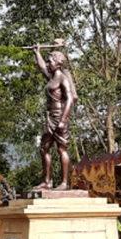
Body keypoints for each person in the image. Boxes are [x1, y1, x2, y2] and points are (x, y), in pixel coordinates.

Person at [34, 46, 77, 189]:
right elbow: (41, 67)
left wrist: (63, 121)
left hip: (59, 116)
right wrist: (37, 52)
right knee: (44, 148)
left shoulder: (63, 78)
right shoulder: (51, 78)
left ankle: (64, 182)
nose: (48, 64)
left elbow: (70, 99)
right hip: (49, 117)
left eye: (50, 61)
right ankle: (47, 181)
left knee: (61, 149)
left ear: (58, 63)